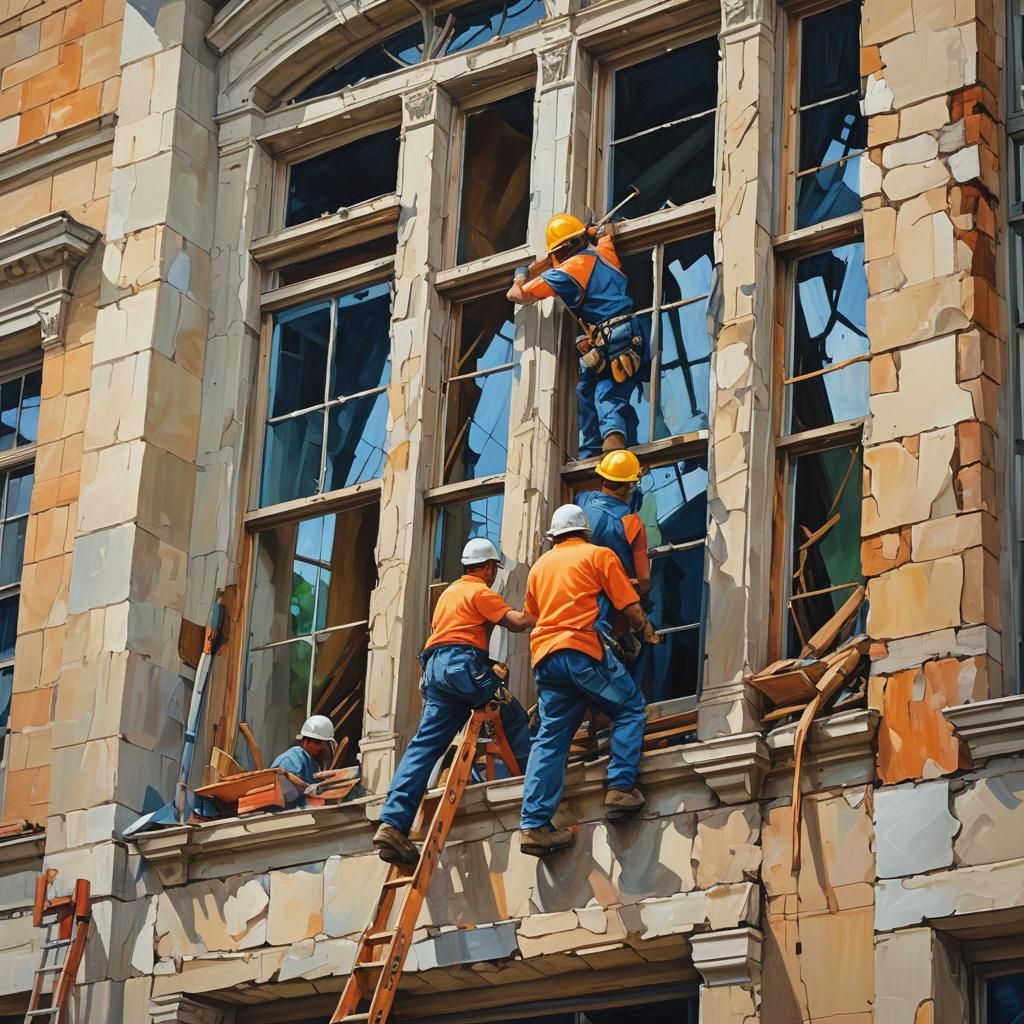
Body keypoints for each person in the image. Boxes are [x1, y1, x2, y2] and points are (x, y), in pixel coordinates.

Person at [373, 538, 536, 864]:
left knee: (425, 745)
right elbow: (517, 623)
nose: (493, 575)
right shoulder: (479, 591)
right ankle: (535, 792)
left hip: (436, 673)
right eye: (493, 570)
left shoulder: (449, 594)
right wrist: (539, 609)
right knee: (514, 714)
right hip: (463, 669)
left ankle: (392, 822)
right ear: (488, 567)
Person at [518, 505, 652, 857]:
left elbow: (533, 616)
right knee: (629, 707)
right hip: (581, 651)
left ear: (554, 536)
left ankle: (533, 824)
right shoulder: (598, 555)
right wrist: (643, 630)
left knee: (550, 738)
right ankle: (621, 787)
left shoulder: (540, 567)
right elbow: (631, 608)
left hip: (546, 658)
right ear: (584, 532)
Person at [506, 217, 646, 458]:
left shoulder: (569, 270)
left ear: (560, 250)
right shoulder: (604, 254)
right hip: (622, 331)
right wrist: (593, 231)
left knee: (607, 389)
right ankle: (593, 447)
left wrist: (521, 274)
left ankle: (613, 441)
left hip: (613, 336)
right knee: (585, 389)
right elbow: (604, 234)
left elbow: (516, 295)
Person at [576, 449, 661, 685]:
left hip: (574, 606)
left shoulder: (582, 502)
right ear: (626, 487)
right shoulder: (632, 523)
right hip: (611, 618)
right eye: (632, 484)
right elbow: (644, 582)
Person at [271, 714, 336, 808]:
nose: (322, 747)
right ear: (306, 741)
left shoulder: (312, 762)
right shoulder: (290, 761)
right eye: (318, 742)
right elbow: (288, 797)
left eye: (325, 743)